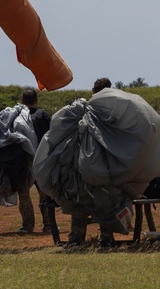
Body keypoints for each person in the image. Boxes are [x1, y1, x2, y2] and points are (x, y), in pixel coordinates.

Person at [65, 79, 117, 248]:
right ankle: (107, 238)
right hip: (107, 164)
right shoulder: (115, 110)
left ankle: (76, 239)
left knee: (81, 200)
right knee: (106, 201)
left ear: (93, 90)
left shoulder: (85, 108)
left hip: (84, 161)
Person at [17, 87, 52, 234]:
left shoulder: (17, 117)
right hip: (41, 159)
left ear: (22, 101)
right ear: (36, 101)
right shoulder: (42, 115)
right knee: (44, 193)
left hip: (23, 161)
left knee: (24, 194)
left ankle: (28, 225)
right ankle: (48, 224)